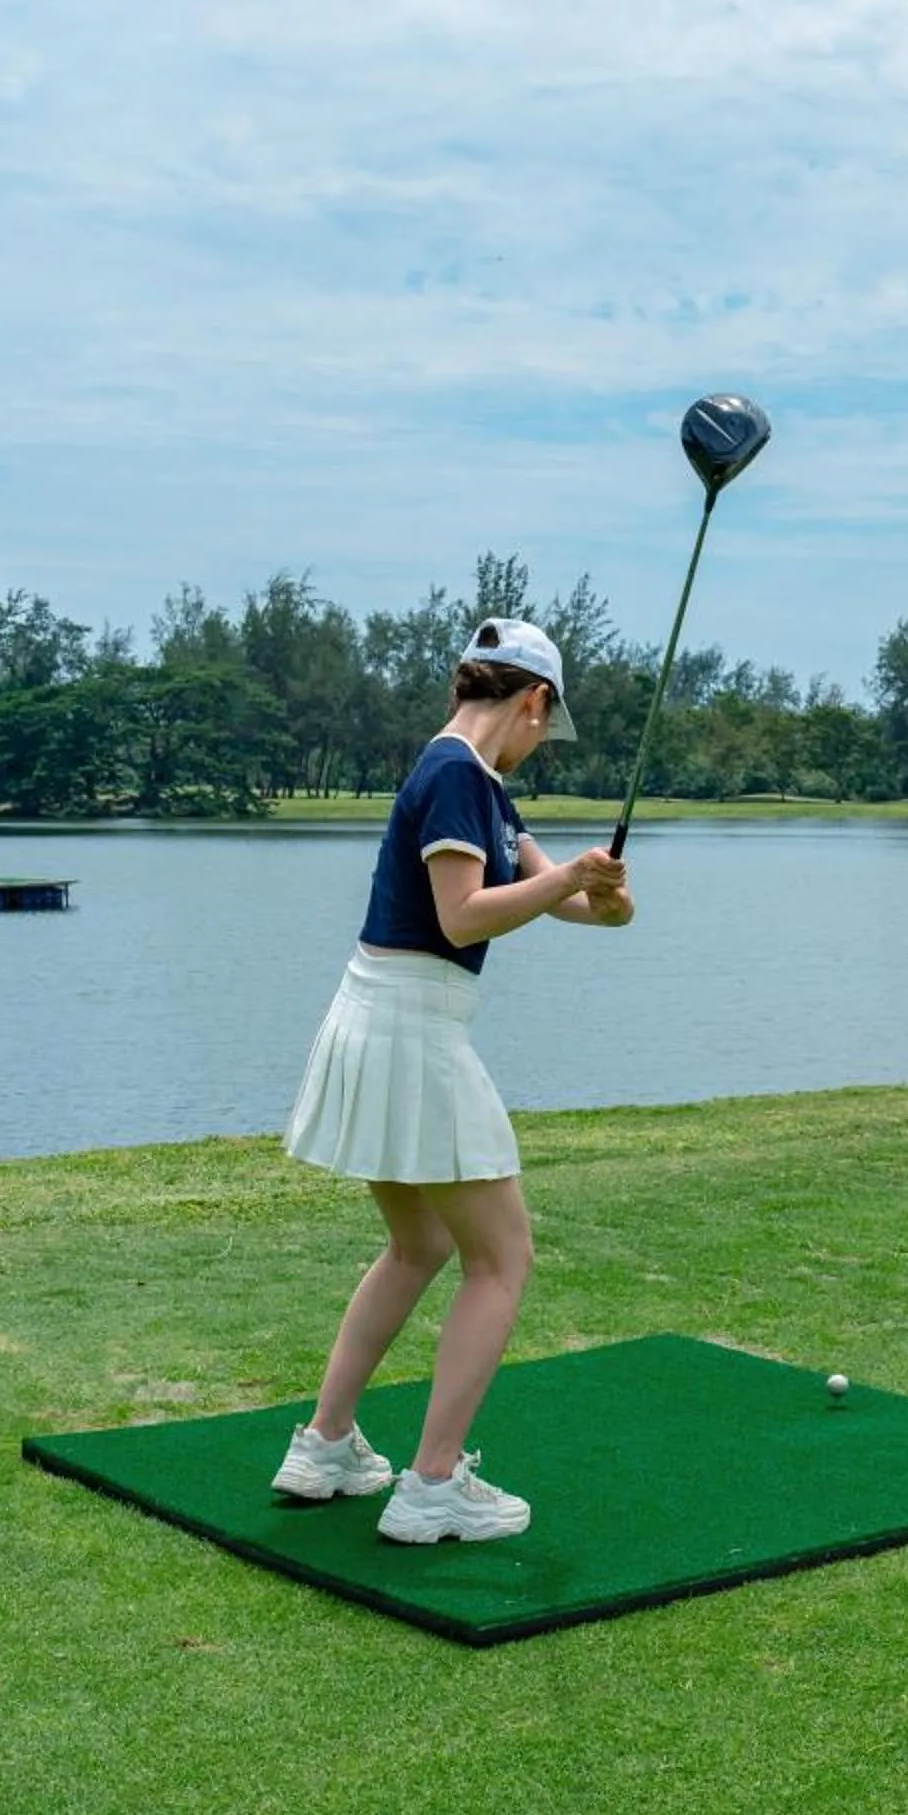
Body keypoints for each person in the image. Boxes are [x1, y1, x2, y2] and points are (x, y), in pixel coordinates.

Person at [269, 617, 631, 1543]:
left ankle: (325, 1445)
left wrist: (602, 893)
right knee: (502, 1258)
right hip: (412, 1027)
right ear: (533, 701)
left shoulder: (479, 786)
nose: (540, 743)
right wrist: (569, 882)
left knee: (418, 1242)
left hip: (375, 1017)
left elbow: (574, 906)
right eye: (545, 726)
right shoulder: (458, 777)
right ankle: (432, 1486)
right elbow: (463, 916)